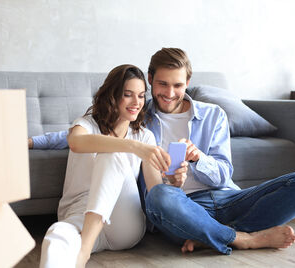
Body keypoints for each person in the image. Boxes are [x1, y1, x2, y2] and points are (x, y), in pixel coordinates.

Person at [32, 48, 295, 256]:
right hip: (175, 205)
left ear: (188, 83)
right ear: (150, 79)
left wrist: (198, 160)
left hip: (225, 197)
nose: (169, 93)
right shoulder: (138, 115)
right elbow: (94, 130)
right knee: (160, 195)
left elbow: (225, 173)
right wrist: (31, 142)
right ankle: (242, 238)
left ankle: (208, 236)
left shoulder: (213, 115)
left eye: (177, 85)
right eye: (161, 84)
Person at [39, 64, 187, 268]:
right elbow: (75, 143)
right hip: (80, 215)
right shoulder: (86, 124)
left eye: (142, 96)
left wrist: (173, 183)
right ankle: (84, 245)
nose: (137, 102)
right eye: (128, 94)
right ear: (113, 95)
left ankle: (83, 254)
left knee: (113, 156)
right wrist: (133, 147)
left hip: (123, 224)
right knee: (56, 236)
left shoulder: (145, 136)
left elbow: (154, 192)